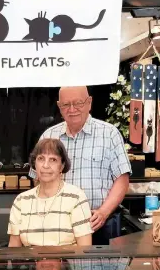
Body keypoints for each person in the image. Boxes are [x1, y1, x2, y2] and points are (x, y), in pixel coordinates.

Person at [32, 86, 132, 245]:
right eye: (66, 105)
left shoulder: (109, 134)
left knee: (103, 269)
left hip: (99, 222)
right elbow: (37, 177)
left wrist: (103, 212)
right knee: (59, 268)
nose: (72, 109)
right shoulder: (49, 136)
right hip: (59, 224)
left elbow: (122, 179)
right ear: (59, 106)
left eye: (78, 103)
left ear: (89, 102)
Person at [8, 138, 93, 247]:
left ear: (61, 166)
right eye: (41, 159)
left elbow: (84, 250)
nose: (46, 165)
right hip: (31, 263)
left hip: (67, 263)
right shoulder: (21, 200)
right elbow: (14, 249)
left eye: (53, 160)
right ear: (35, 164)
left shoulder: (76, 197)